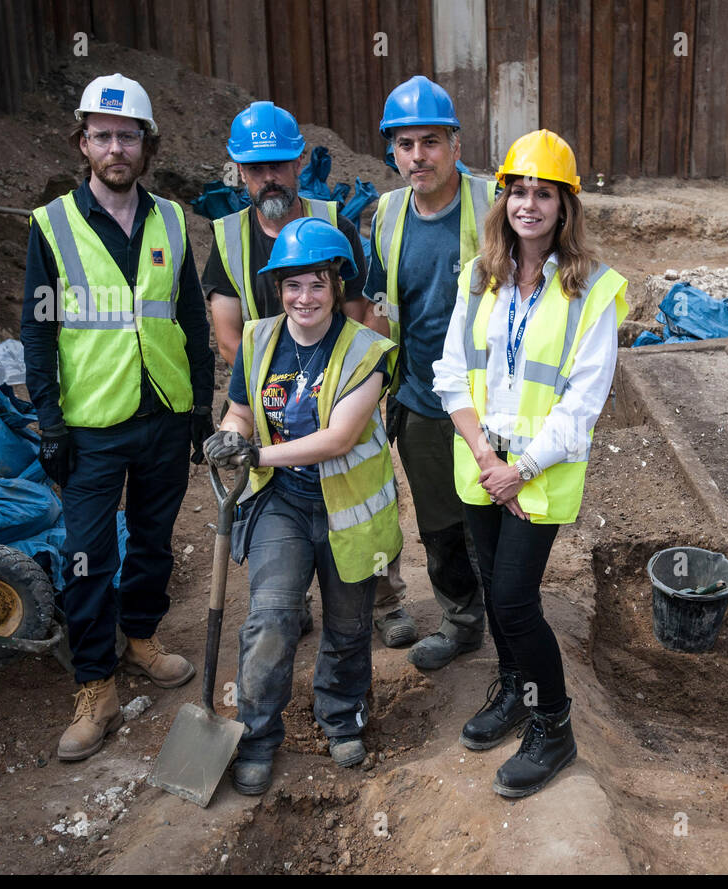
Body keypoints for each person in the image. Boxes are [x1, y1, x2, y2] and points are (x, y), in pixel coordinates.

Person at [21, 73, 214, 762]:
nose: (114, 147)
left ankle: (141, 636)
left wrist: (199, 405)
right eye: (101, 135)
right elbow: (37, 333)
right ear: (83, 144)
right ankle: (95, 684)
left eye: (126, 135)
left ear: (146, 145)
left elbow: (189, 316)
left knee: (156, 539)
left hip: (163, 411)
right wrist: (49, 421)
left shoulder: (168, 220)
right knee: (90, 555)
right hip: (92, 422)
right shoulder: (53, 225)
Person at [433, 130, 628, 798]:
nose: (529, 204)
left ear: (565, 207)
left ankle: (553, 724)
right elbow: (451, 374)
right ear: (503, 200)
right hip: (484, 466)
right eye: (518, 190)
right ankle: (515, 687)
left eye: (544, 193)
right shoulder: (477, 276)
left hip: (539, 476)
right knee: (493, 586)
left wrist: (522, 468)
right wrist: (489, 458)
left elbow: (583, 403)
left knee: (515, 600)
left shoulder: (592, 292)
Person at [200, 101, 411, 644]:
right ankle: (290, 601)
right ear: (241, 173)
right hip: (267, 387)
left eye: (280, 164)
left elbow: (363, 308)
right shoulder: (227, 239)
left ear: (299, 164)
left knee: (358, 494)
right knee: (279, 502)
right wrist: (270, 392)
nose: (269, 176)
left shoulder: (332, 220)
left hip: (339, 384)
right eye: (256, 167)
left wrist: (344, 382)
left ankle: (382, 598)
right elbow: (228, 335)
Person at [204, 217, 401, 794]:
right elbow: (241, 409)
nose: (304, 298)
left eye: (317, 283)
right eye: (293, 285)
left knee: (347, 625)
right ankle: (257, 736)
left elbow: (340, 437)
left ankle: (340, 716)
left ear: (337, 285)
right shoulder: (260, 339)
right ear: (277, 288)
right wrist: (232, 433)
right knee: (270, 619)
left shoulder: (368, 350)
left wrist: (258, 453)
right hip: (282, 507)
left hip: (348, 512)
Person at [366, 75, 497, 671]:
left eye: (430, 142)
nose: (417, 156)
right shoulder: (388, 215)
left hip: (491, 397)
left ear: (455, 146)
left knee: (495, 514)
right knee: (440, 523)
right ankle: (462, 622)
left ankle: (512, 620)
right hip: (421, 396)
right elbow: (381, 309)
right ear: (393, 151)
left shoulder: (493, 203)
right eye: (405, 144)